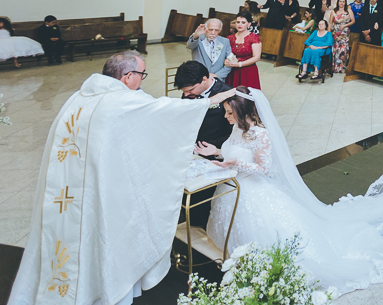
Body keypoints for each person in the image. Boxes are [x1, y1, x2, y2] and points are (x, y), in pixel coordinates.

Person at [9, 51, 236, 305]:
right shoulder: (121, 101)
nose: (142, 80)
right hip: (103, 185)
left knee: (75, 233)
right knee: (104, 228)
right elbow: (163, 110)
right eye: (141, 74)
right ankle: (105, 283)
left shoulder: (80, 97)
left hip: (69, 185)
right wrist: (208, 101)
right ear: (128, 76)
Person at [193, 86, 383, 299]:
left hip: (254, 192)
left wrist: (235, 162)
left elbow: (264, 170)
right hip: (233, 190)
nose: (226, 117)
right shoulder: (236, 128)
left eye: (230, 113)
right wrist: (216, 152)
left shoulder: (261, 135)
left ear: (242, 112)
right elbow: (233, 151)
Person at [174, 59, 236, 226]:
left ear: (204, 79)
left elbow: (235, 130)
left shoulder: (228, 93)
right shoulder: (190, 92)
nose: (186, 94)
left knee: (205, 199)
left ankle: (200, 228)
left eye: (191, 90)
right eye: (184, 91)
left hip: (215, 155)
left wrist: (218, 149)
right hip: (191, 152)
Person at [186, 18, 233, 82]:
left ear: (220, 30)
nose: (213, 33)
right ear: (206, 28)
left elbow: (230, 62)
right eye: (210, 29)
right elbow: (189, 46)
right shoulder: (198, 39)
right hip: (199, 78)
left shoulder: (225, 41)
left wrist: (217, 75)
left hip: (218, 80)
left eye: (216, 30)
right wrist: (195, 35)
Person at [226, 11, 262, 89]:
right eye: (238, 22)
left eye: (243, 22)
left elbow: (257, 57)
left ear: (248, 24)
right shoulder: (229, 38)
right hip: (232, 70)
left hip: (248, 70)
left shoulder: (253, 37)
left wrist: (240, 64)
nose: (240, 25)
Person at [328, 0, 354, 72]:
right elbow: (330, 23)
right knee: (335, 50)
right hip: (335, 33)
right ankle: (335, 67)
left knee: (343, 49)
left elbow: (353, 21)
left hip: (345, 34)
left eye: (343, 1)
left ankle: (342, 67)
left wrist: (344, 26)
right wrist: (328, 34)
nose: (342, 3)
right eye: (340, 1)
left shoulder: (348, 10)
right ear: (338, 2)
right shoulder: (334, 11)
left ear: (345, 3)